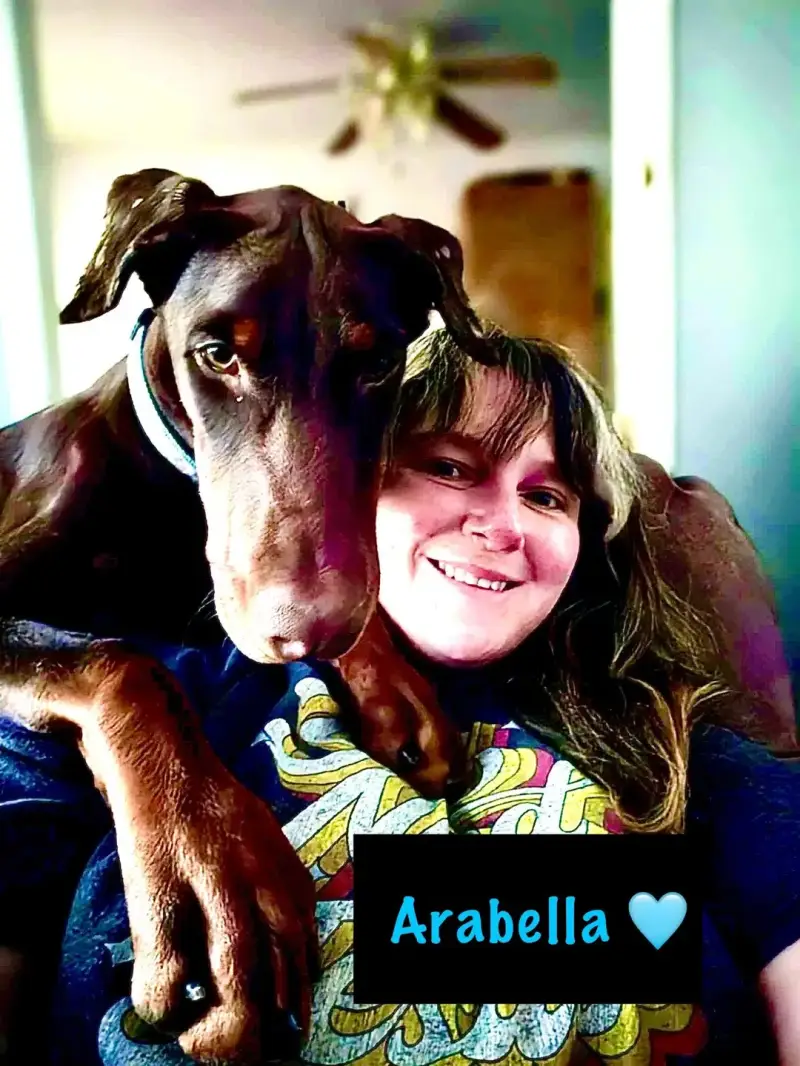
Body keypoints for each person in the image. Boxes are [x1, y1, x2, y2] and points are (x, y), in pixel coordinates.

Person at [1, 324, 799, 1066]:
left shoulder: (684, 755)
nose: (504, 525)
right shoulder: (140, 710)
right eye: (448, 467)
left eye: (548, 496)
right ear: (344, 485)